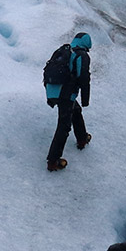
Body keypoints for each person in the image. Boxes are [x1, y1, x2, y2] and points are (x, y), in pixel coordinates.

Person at [44, 32, 93, 172]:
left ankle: (82, 137)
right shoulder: (81, 55)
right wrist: (85, 99)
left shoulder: (64, 50)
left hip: (53, 90)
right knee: (64, 126)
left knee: (75, 110)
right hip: (66, 93)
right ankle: (53, 161)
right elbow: (84, 78)